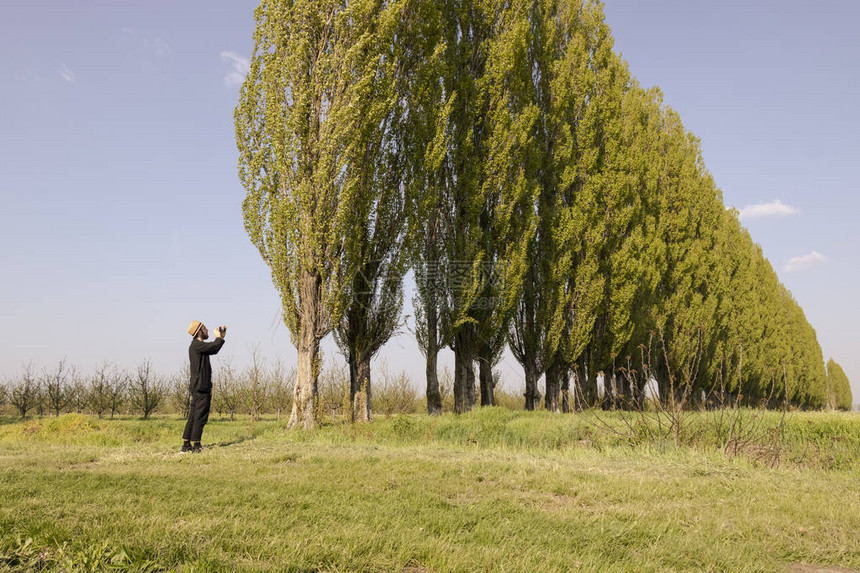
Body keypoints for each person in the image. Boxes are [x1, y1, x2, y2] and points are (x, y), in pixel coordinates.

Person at [181, 320, 226, 453]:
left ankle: (186, 445)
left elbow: (213, 348)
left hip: (198, 386)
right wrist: (218, 337)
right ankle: (196, 445)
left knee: (193, 415)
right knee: (200, 416)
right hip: (201, 386)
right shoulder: (196, 345)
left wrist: (220, 338)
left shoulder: (197, 346)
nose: (207, 330)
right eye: (205, 328)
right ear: (199, 331)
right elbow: (213, 347)